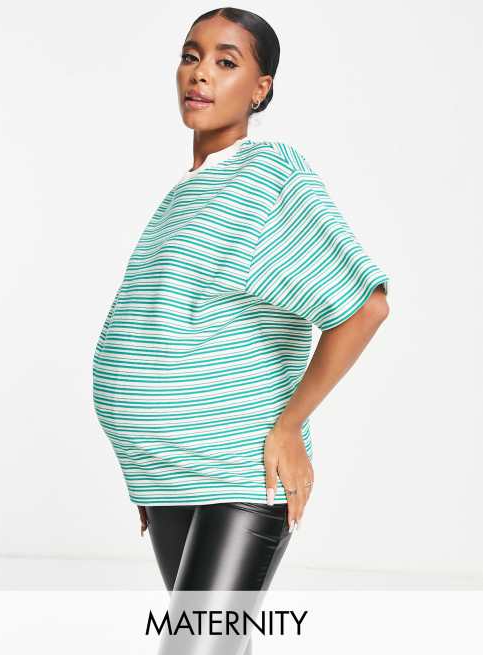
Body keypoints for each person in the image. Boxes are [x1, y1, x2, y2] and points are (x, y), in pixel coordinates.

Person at [92, 7, 390, 653]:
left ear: (261, 88)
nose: (199, 74)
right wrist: (152, 455)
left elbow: (363, 306)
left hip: (237, 471)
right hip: (170, 474)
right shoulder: (188, 190)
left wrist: (290, 426)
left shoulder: (268, 174)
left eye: (226, 62)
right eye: (190, 55)